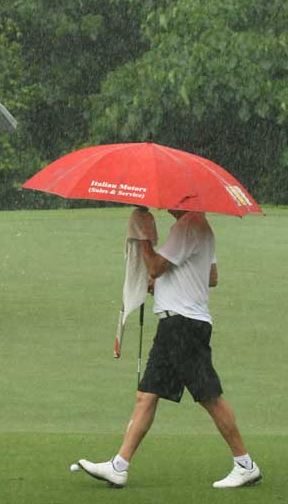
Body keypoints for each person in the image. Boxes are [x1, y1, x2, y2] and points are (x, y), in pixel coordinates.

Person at [76, 209, 261, 489]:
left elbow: (153, 266)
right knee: (146, 395)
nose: (165, 206)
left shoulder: (187, 225)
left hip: (183, 325)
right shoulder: (202, 228)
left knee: (209, 396)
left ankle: (245, 464)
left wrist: (144, 238)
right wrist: (166, 281)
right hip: (175, 324)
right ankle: (119, 466)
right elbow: (211, 276)